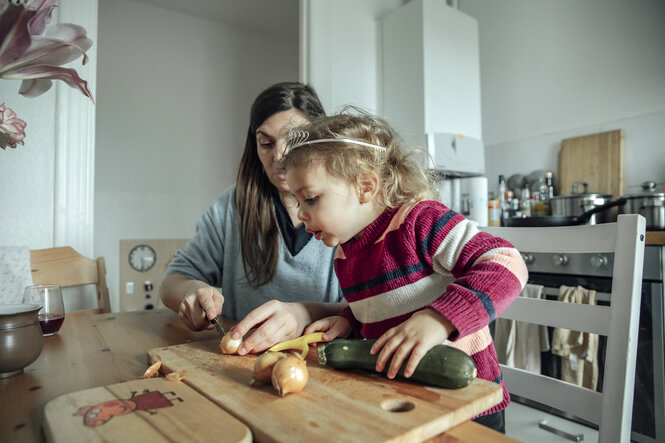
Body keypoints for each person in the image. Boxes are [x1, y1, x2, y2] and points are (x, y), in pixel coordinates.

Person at [280, 110, 528, 433]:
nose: (300, 215)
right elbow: (383, 309)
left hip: (469, 405)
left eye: (310, 199)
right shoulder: (344, 254)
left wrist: (439, 319)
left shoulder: (420, 222)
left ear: (365, 186)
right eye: (297, 202)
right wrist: (350, 320)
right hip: (404, 404)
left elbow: (507, 262)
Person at [160, 82, 345, 355]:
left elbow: (369, 308)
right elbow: (172, 283)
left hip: (324, 366)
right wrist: (191, 291)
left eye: (294, 140)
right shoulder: (232, 207)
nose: (279, 156)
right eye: (266, 144)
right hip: (238, 367)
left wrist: (304, 313)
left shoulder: (348, 212)